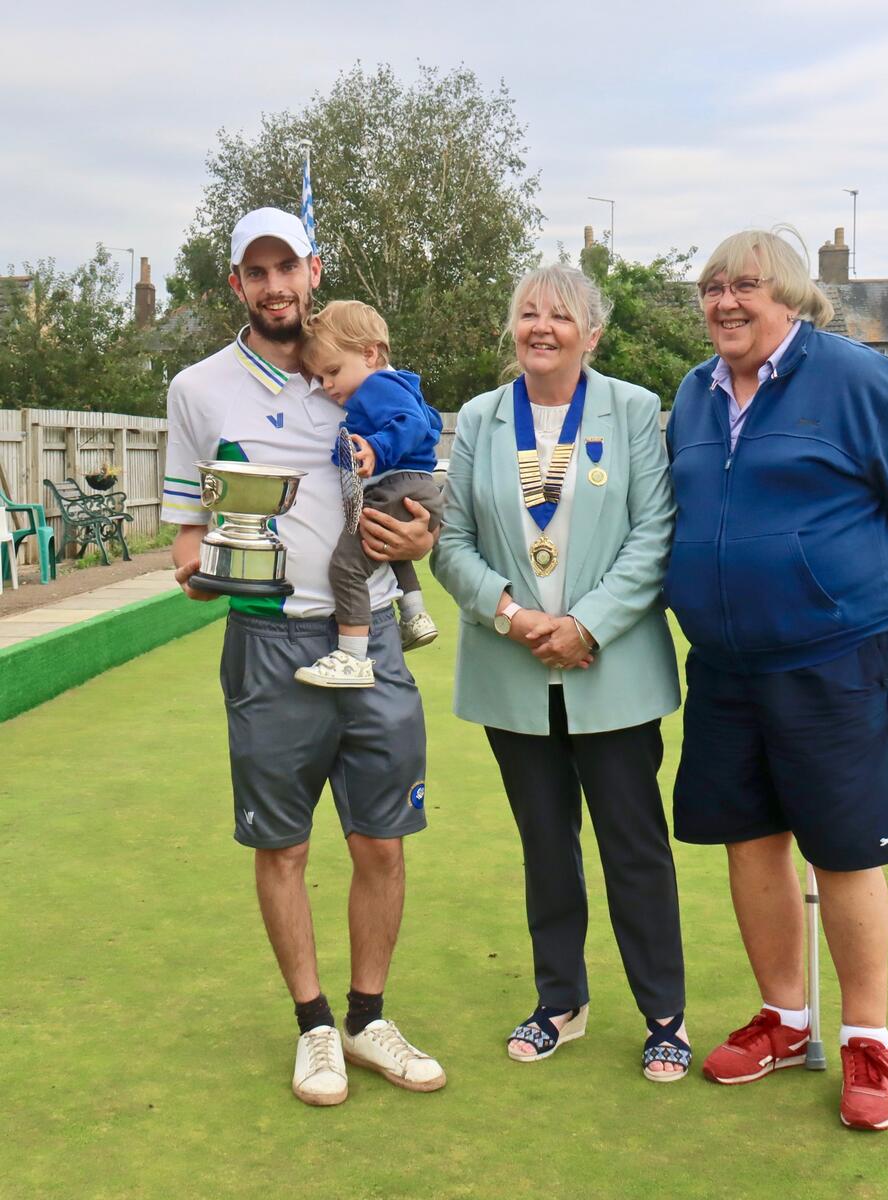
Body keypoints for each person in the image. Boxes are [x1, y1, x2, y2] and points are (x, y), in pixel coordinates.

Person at [663, 227, 888, 1130]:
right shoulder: (691, 393)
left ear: (790, 297)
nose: (723, 302)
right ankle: (785, 1020)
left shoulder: (855, 377)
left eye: (743, 286)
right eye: (711, 287)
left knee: (843, 849)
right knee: (750, 840)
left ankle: (865, 1037)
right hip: (723, 664)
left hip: (834, 658)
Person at [163, 207, 446, 1106]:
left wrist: (417, 542)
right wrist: (208, 575)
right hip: (268, 639)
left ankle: (367, 1018)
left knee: (382, 844)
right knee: (282, 847)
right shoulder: (199, 389)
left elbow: (420, 507)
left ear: (312, 272)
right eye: (258, 271)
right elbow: (185, 541)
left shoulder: (368, 373)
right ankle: (315, 1027)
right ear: (236, 286)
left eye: (289, 266)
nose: (276, 285)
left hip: (372, 641)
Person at [433, 264, 690, 1081]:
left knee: (633, 849)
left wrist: (586, 625)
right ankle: (559, 1003)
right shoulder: (477, 418)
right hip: (513, 672)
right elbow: (449, 541)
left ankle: (664, 1016)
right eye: (527, 314)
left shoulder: (634, 410)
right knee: (545, 847)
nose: (540, 327)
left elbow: (655, 533)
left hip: (610, 672)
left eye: (559, 316)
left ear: (592, 333)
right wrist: (512, 616)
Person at [293, 300, 444, 689]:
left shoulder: (376, 386)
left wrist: (376, 447)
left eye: (332, 372)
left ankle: (353, 657)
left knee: (346, 566)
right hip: (418, 487)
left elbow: (410, 424)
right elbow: (430, 421)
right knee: (386, 548)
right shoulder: (401, 384)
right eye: (320, 377)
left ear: (369, 353)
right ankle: (414, 614)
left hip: (399, 484)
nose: (327, 386)